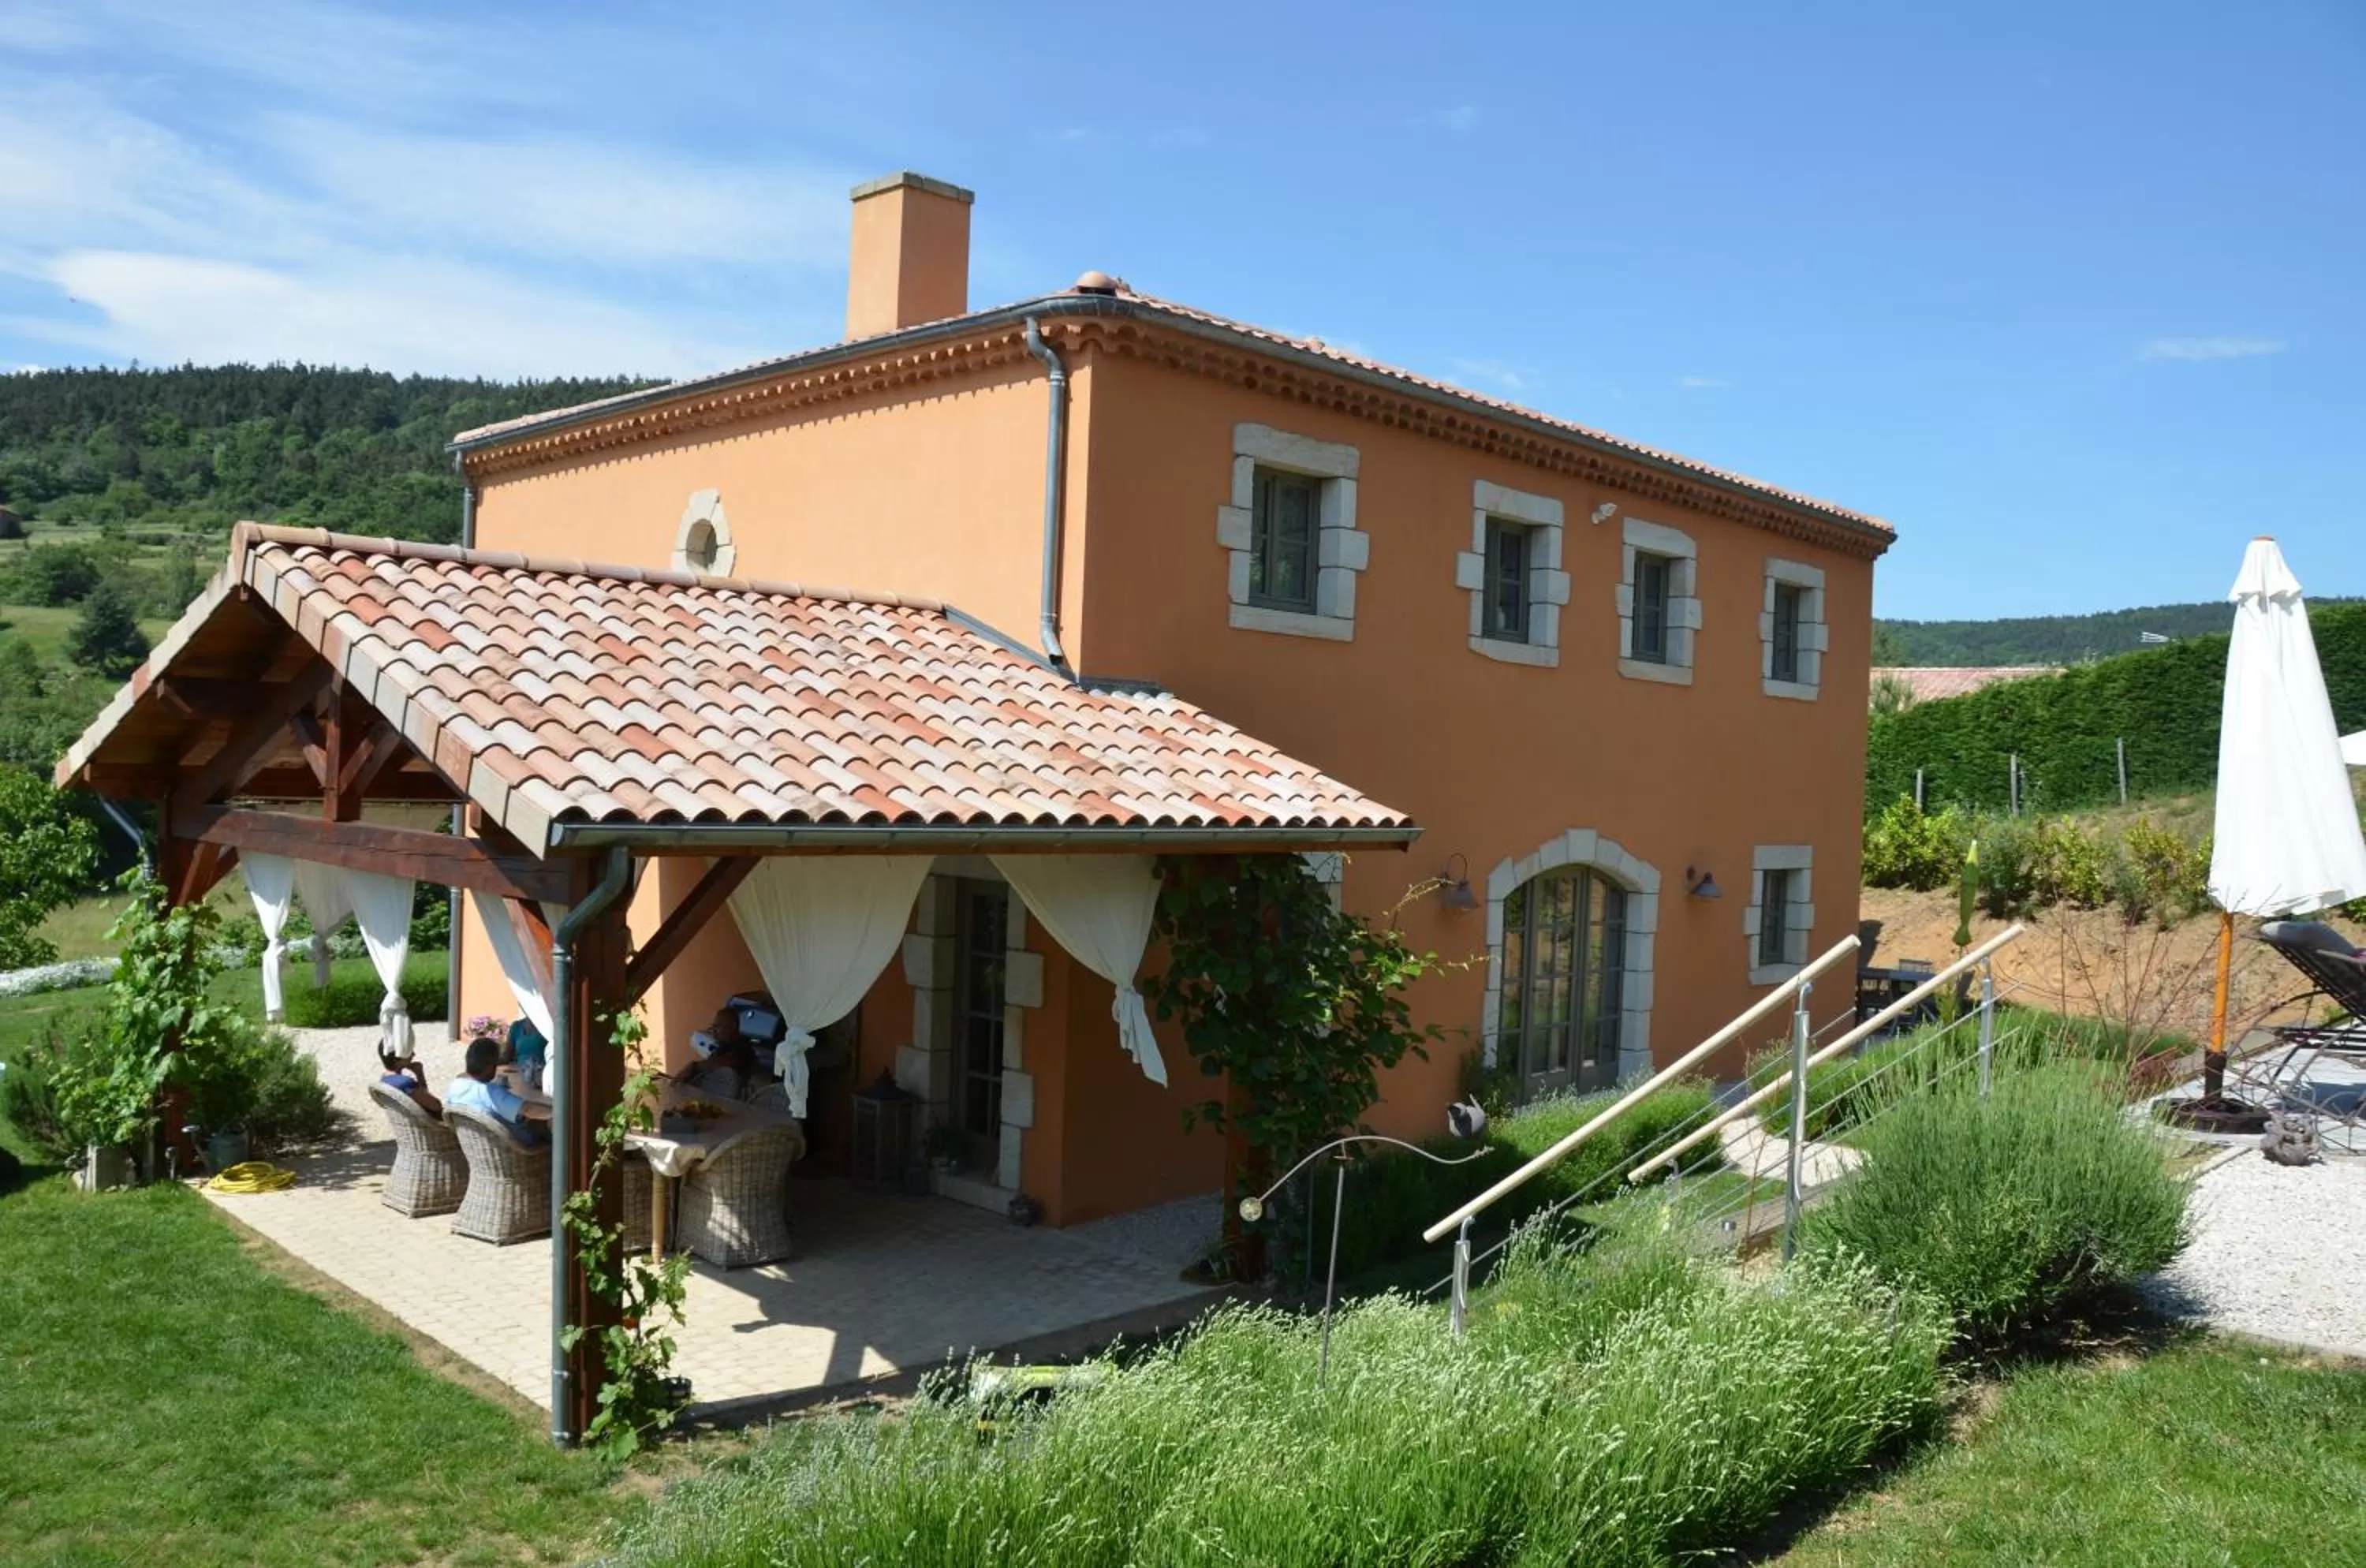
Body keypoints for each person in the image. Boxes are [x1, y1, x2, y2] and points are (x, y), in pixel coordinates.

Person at [446, 1035, 550, 1144]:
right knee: (541, 1123)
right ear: (490, 1066)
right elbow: (528, 1109)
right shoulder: (491, 1093)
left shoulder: (455, 1086)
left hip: (471, 1144)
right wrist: (556, 1112)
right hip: (512, 1146)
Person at [378, 1048, 442, 1118]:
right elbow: (436, 1106)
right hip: (427, 1122)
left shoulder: (384, 1080)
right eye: (409, 1052)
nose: (414, 1054)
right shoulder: (405, 1083)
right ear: (396, 1059)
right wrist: (420, 1074)